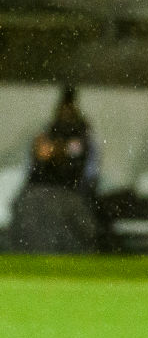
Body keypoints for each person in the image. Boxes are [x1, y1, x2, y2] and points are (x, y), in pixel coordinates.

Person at [8, 85, 104, 253]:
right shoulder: (47, 133)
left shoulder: (82, 137)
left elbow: (86, 172)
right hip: (41, 191)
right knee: (30, 206)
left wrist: (58, 153)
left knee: (54, 210)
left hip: (69, 192)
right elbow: (33, 168)